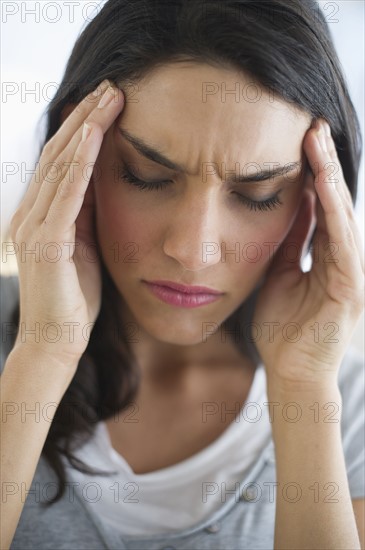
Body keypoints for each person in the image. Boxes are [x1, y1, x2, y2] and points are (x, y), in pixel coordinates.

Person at [1, 0, 364, 548]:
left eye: (257, 194)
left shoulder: (350, 409)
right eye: (147, 176)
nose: (193, 252)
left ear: (314, 196)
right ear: (75, 149)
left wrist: (303, 390)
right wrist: (42, 355)